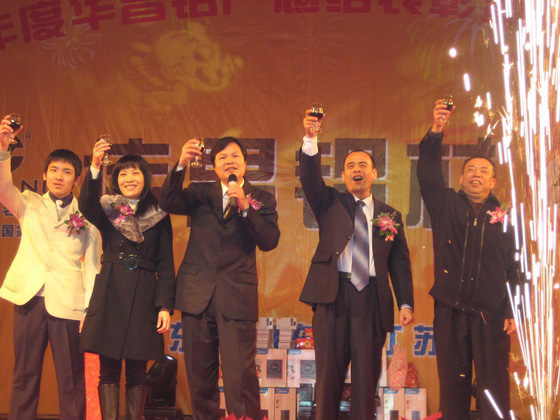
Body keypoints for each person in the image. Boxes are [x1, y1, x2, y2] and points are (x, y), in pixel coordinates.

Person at [298, 110, 414, 419]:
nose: (356, 170)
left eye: (363, 165)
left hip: (372, 299)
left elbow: (399, 264)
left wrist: (405, 303)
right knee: (328, 380)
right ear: (344, 175)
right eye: (350, 166)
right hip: (333, 296)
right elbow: (309, 179)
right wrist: (310, 138)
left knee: (366, 381)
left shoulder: (390, 215)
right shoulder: (330, 202)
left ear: (374, 173)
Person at [159, 136, 280, 420]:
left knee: (240, 376)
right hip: (196, 295)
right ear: (214, 167)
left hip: (236, 296)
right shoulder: (200, 193)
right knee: (200, 377)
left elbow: (269, 240)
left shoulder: (262, 199)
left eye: (235, 156)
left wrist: (245, 207)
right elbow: (168, 201)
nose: (229, 162)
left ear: (245, 163)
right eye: (222, 158)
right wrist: (181, 163)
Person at [417, 100, 521, 420]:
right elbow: (427, 172)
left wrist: (512, 309)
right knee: (453, 386)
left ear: (493, 182)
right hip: (450, 309)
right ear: (461, 177)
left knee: (494, 388)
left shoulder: (505, 218)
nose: (477, 175)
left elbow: (517, 267)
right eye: (471, 170)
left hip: (492, 314)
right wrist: (437, 131)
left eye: (484, 171)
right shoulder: (445, 203)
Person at [0, 115, 101, 420]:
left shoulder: (87, 217)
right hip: (29, 300)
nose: (59, 176)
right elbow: (3, 187)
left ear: (76, 180)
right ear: (44, 174)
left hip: (68, 305)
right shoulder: (28, 202)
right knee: (24, 375)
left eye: (67, 172)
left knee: (71, 380)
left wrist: (88, 310)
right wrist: (3, 148)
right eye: (54, 170)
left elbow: (92, 268)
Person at [78, 140, 175, 420]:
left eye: (135, 173)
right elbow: (86, 205)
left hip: (144, 293)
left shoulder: (158, 213)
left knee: (137, 371)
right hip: (111, 290)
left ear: (145, 178)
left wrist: (164, 306)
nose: (129, 178)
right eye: (122, 173)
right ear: (115, 180)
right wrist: (95, 167)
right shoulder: (107, 208)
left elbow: (166, 263)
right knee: (108, 370)